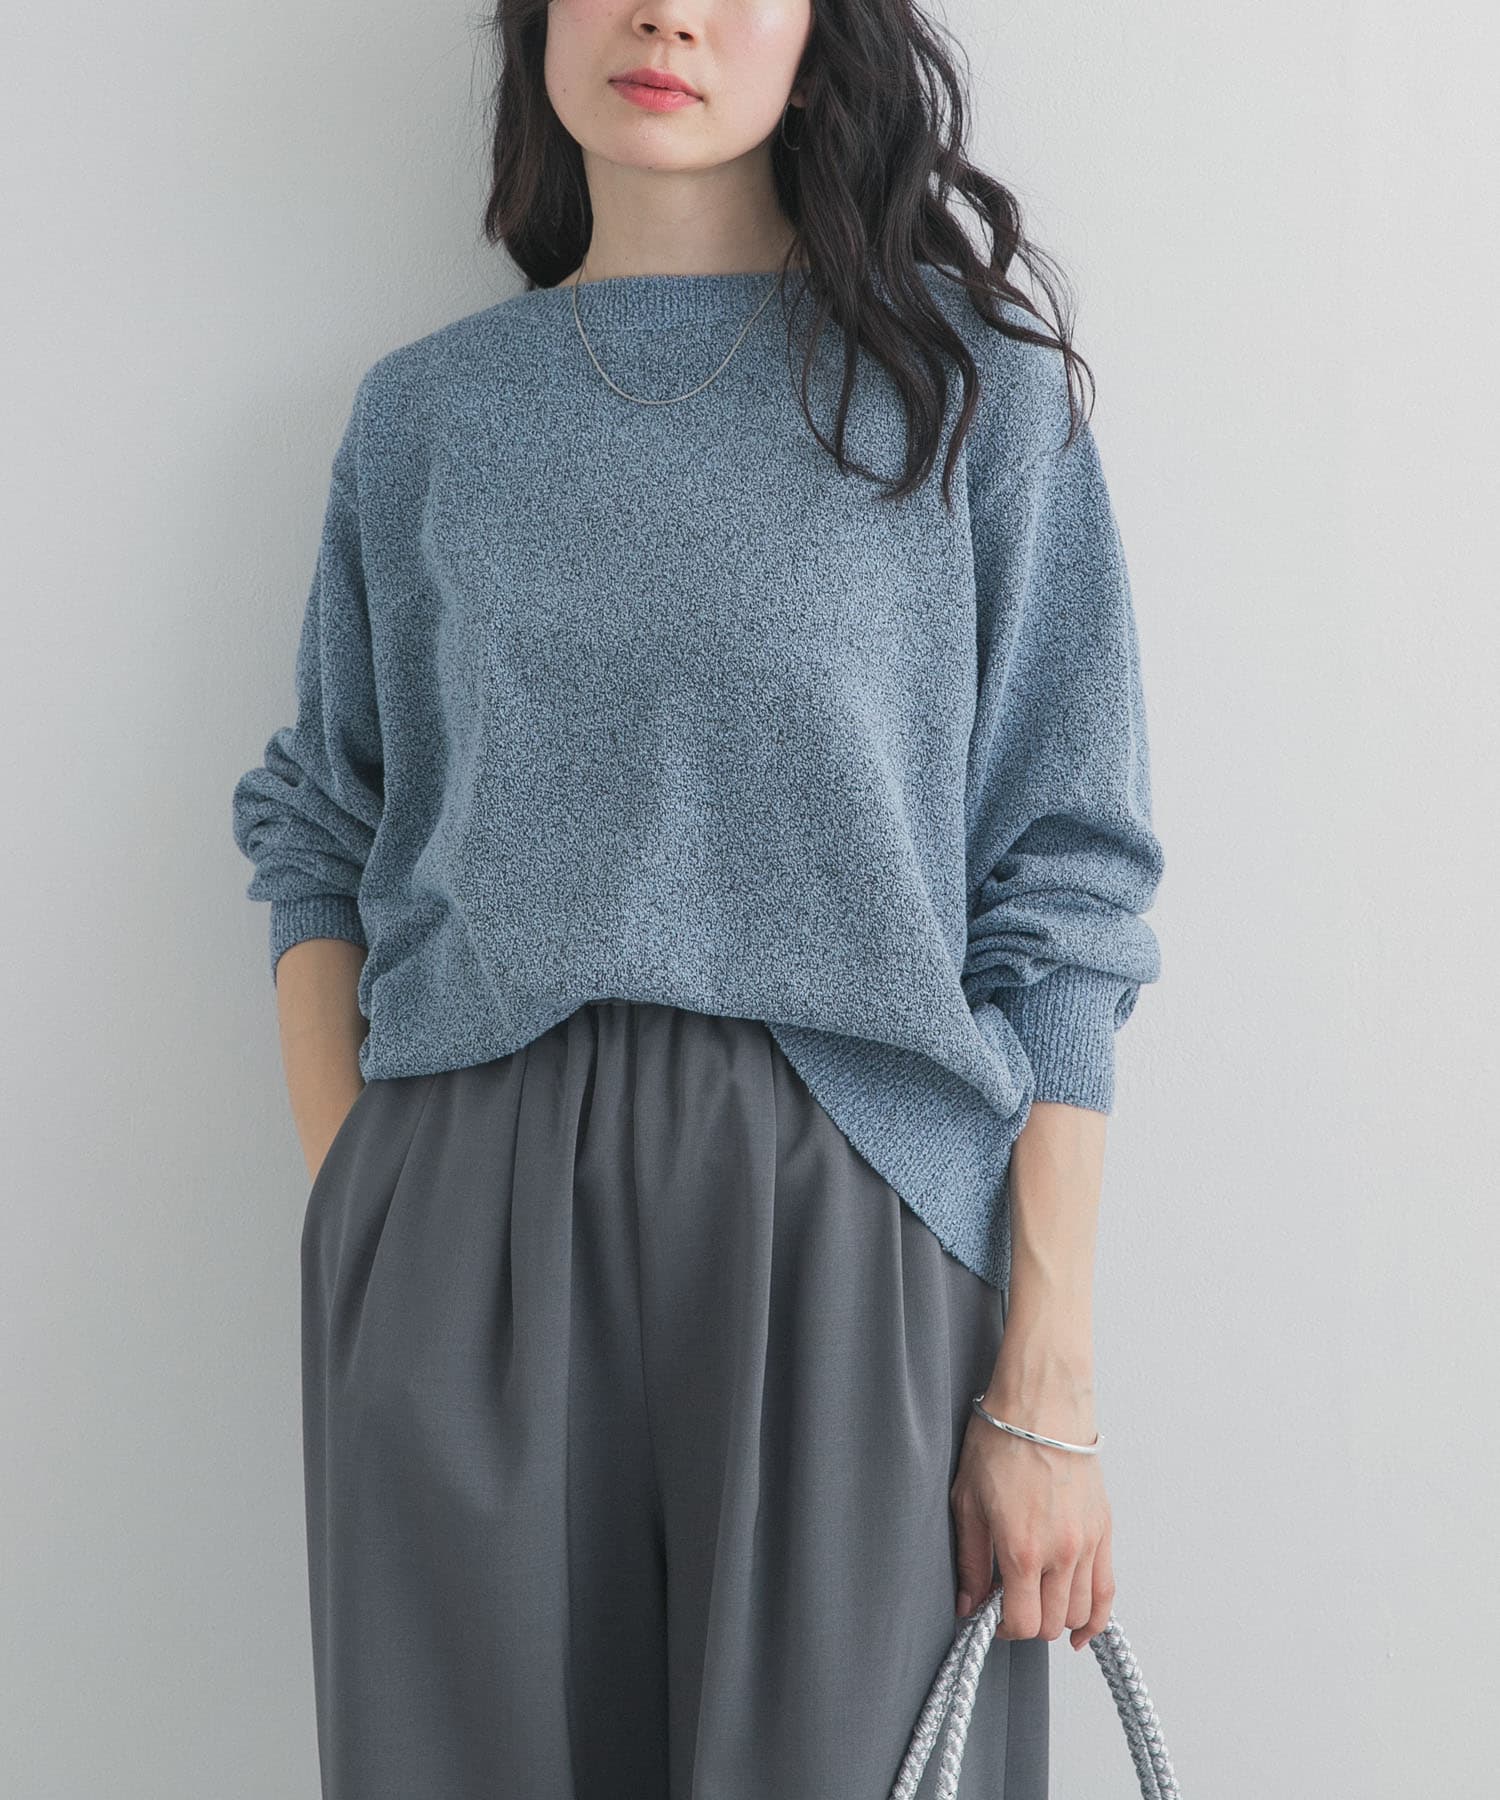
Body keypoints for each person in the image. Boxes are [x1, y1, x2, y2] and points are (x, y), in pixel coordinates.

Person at [230, 2, 1165, 1794]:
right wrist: (370, 1208)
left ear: (823, 35)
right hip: (468, 1227)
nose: (667, 12)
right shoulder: (429, 416)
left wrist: (1045, 1380)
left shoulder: (966, 394)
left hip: (854, 1218)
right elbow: (320, 829)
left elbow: (1065, 881)